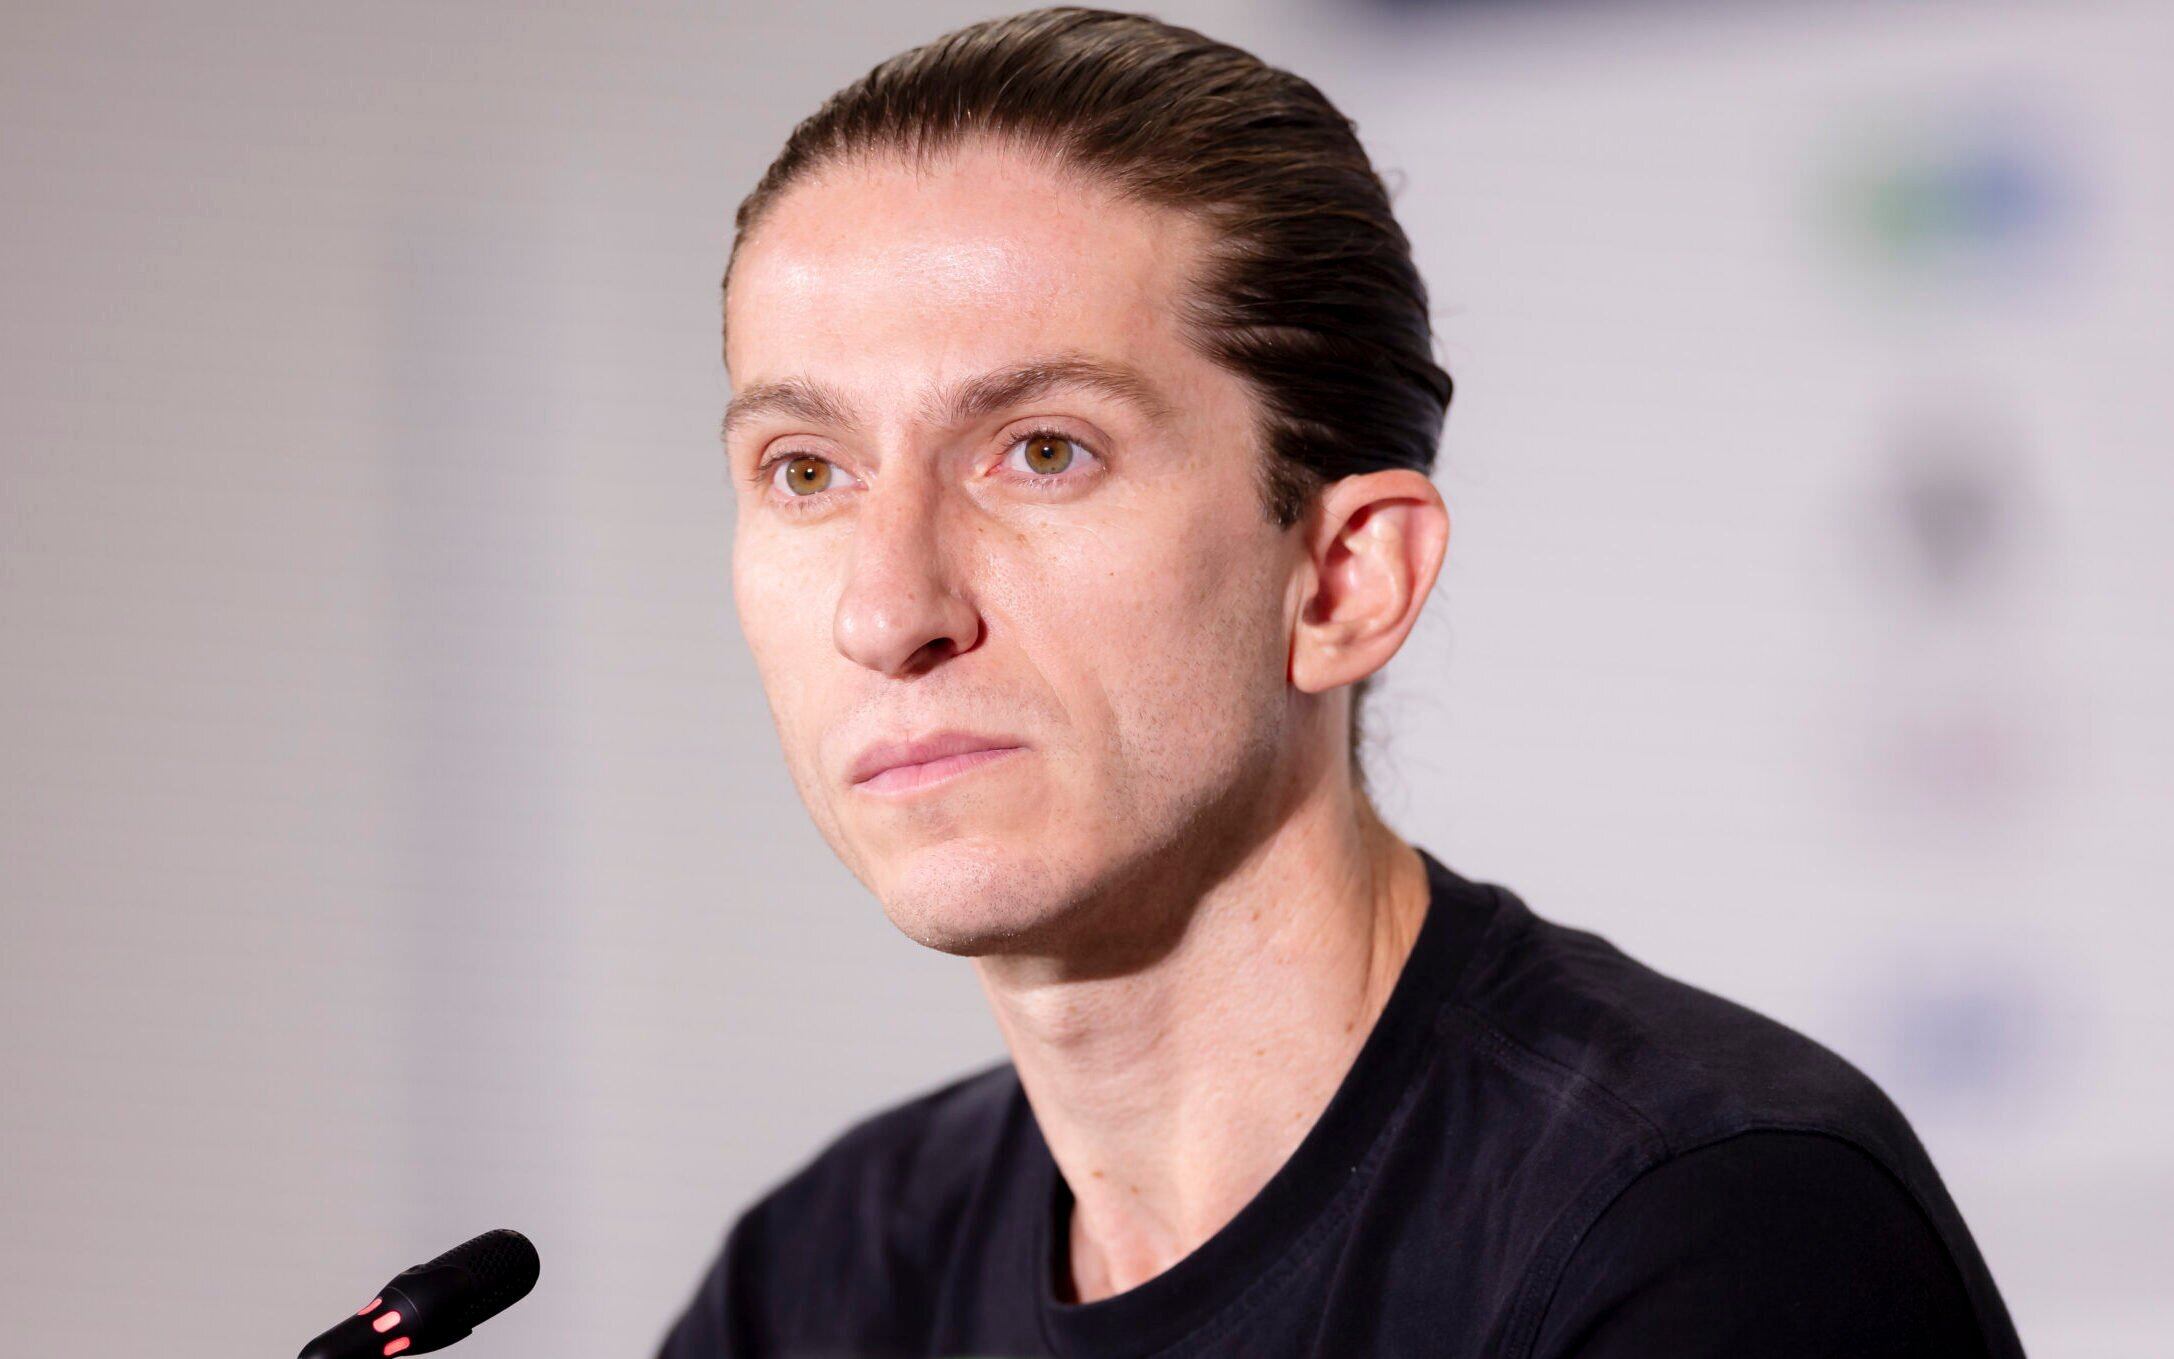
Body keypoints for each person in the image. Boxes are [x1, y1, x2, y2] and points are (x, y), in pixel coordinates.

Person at [657, 8, 2026, 1356]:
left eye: (1045, 450)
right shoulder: (815, 1286)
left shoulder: (1709, 1233)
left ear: (1344, 577)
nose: (887, 611)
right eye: (805, 471)